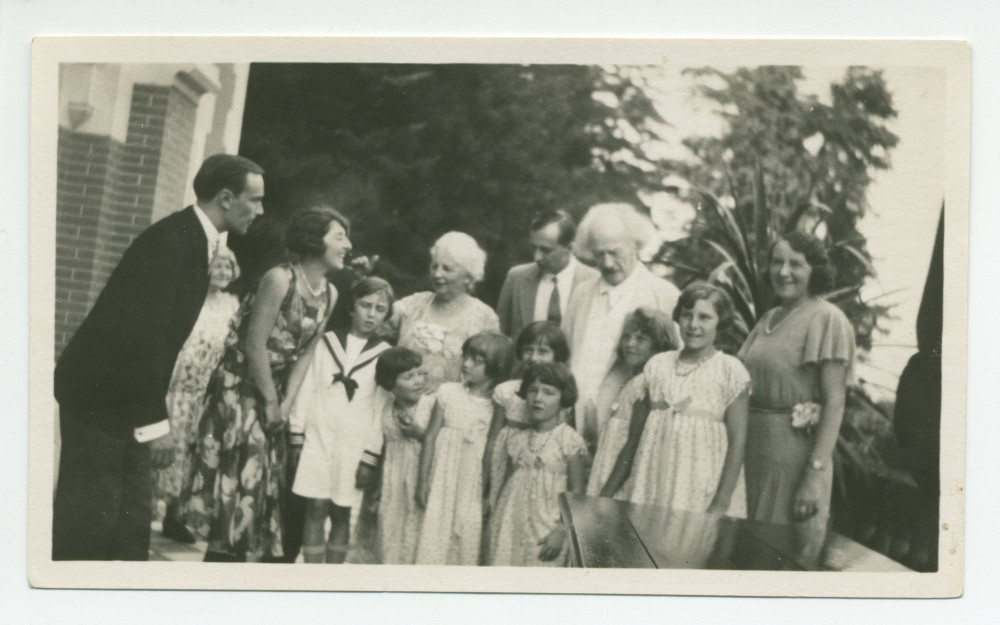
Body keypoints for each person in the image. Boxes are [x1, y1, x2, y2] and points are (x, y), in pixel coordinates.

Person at [52, 153, 264, 561]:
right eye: (254, 199)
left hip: (123, 399)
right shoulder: (171, 241)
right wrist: (155, 423)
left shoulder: (196, 239)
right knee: (90, 526)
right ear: (225, 198)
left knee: (130, 527)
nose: (260, 209)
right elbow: (141, 339)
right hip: (97, 398)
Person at [183, 205, 349, 562]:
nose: (348, 244)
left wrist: (285, 404)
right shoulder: (280, 279)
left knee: (254, 487)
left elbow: (306, 354)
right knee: (236, 483)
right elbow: (254, 344)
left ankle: (231, 571)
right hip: (239, 389)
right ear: (313, 240)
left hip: (273, 393)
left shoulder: (329, 294)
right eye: (339, 236)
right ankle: (216, 570)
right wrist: (271, 403)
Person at [738, 232, 855, 529]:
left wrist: (813, 478)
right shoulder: (768, 318)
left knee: (777, 555)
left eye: (796, 264)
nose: (783, 272)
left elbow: (835, 402)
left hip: (792, 460)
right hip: (750, 453)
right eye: (777, 262)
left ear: (815, 269)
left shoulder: (828, 319)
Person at [604, 284, 751, 517]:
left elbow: (737, 443)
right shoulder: (657, 366)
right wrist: (604, 497)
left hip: (702, 490)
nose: (693, 325)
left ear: (720, 322)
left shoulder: (730, 370)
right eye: (687, 315)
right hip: (653, 483)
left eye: (705, 317)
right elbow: (633, 441)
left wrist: (720, 505)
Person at [286, 277, 394, 563]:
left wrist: (370, 456)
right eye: (365, 305)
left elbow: (381, 409)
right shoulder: (327, 342)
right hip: (318, 438)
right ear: (351, 307)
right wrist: (297, 434)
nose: (371, 314)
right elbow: (307, 387)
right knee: (315, 508)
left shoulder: (384, 354)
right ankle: (313, 577)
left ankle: (332, 579)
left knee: (341, 511)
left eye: (380, 309)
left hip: (353, 445)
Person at [562, 203, 680, 450]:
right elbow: (565, 356)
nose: (606, 263)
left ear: (635, 245)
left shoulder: (664, 295)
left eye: (614, 252)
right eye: (598, 254)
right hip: (576, 425)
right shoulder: (581, 295)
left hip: (634, 432)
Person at [154, 249, 241, 543]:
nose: (223, 271)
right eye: (217, 266)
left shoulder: (232, 305)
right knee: (170, 449)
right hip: (177, 387)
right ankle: (149, 509)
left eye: (228, 267)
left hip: (205, 390)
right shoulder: (189, 299)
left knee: (194, 451)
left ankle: (176, 516)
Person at [414, 332, 513, 565]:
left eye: (477, 360)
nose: (466, 364)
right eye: (465, 357)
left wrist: (489, 491)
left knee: (467, 530)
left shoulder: (499, 404)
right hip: (443, 478)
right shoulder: (448, 392)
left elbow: (494, 449)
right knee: (434, 531)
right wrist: (422, 481)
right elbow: (429, 438)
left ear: (497, 366)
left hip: (473, 481)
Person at [487, 363, 587, 567]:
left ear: (563, 398)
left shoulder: (568, 439)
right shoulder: (516, 439)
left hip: (547, 527)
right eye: (533, 390)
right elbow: (509, 485)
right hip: (511, 524)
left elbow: (577, 492)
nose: (538, 398)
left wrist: (561, 530)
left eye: (548, 392)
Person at [387, 232, 500, 393]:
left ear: (468, 276)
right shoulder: (413, 304)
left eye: (447, 269)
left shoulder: (485, 318)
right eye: (434, 266)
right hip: (400, 405)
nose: (437, 274)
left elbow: (489, 378)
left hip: (448, 413)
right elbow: (374, 327)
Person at [587, 307, 678, 498]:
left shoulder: (645, 383)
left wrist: (605, 494)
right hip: (608, 472)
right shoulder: (632, 380)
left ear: (659, 346)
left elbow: (633, 444)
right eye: (626, 336)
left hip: (619, 484)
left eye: (641, 339)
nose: (630, 344)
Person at [483, 321, 570, 512]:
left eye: (543, 351)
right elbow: (493, 439)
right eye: (528, 350)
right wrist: (485, 482)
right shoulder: (507, 391)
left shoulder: (560, 394)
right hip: (504, 462)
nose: (534, 357)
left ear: (558, 357)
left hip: (541, 468)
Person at [371, 347, 433, 565]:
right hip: (394, 481)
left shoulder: (430, 405)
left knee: (419, 527)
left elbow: (439, 444)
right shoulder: (386, 409)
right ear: (390, 384)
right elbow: (386, 450)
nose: (418, 381)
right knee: (392, 527)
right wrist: (378, 486)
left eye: (420, 374)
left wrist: (420, 434)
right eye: (408, 377)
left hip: (422, 477)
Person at [495, 210, 598, 337]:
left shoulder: (594, 281)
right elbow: (499, 335)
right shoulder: (516, 277)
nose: (537, 257)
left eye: (546, 250)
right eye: (534, 248)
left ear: (571, 248)